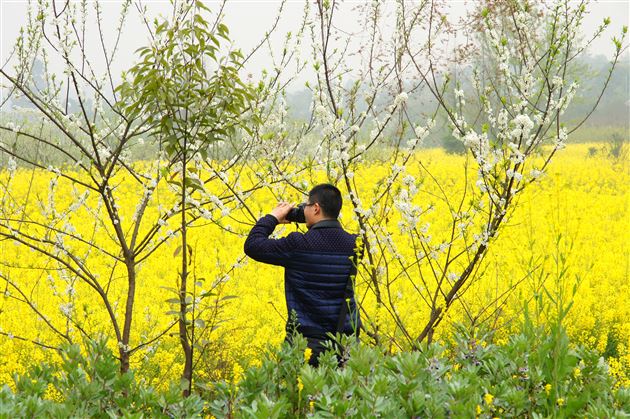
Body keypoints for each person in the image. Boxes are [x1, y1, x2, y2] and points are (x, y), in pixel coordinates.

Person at [244, 184, 361, 367]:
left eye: (306, 205)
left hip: (305, 345)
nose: (303, 209)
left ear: (316, 208)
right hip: (346, 344)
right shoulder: (354, 244)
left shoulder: (298, 245)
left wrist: (273, 217)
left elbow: (253, 245)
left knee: (300, 394)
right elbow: (330, 239)